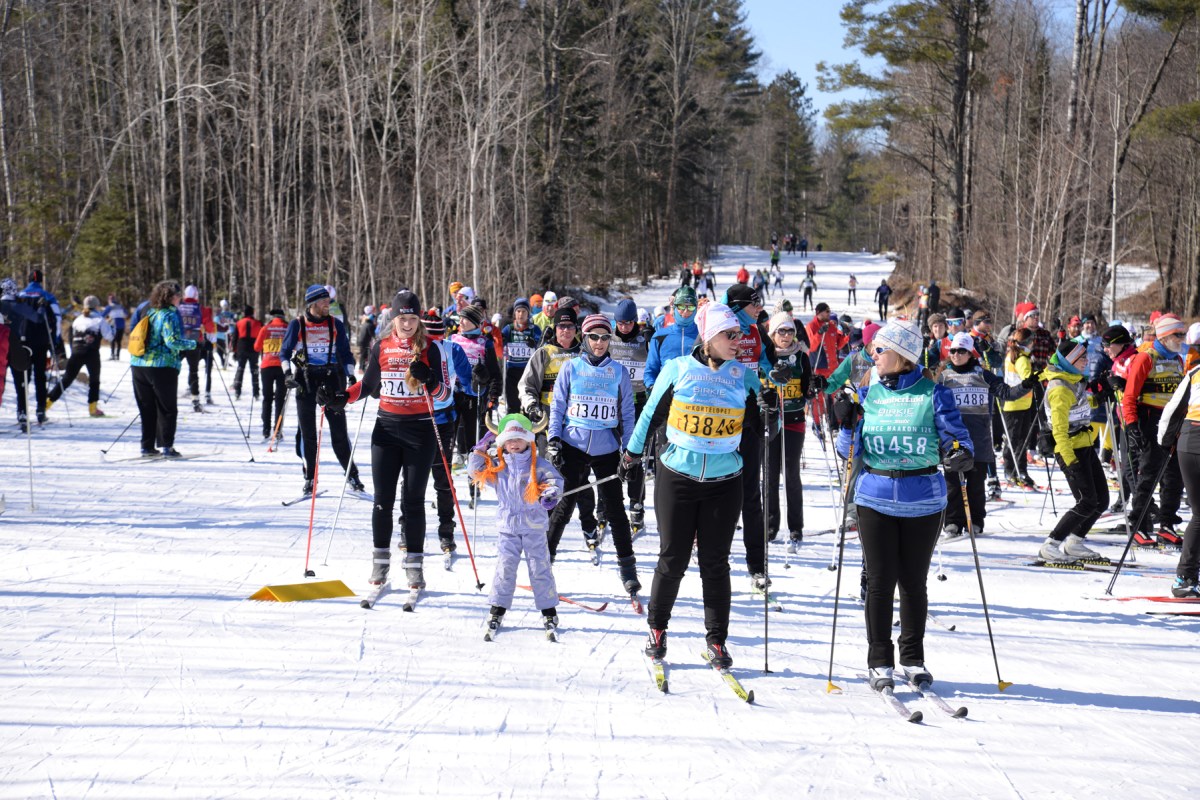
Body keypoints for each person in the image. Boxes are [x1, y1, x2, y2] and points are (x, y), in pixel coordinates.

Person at [837, 319, 973, 691]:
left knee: (913, 583)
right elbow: (847, 451)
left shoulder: (933, 393)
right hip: (875, 496)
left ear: (902, 355)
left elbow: (957, 437)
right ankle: (879, 660)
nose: (874, 356)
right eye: (874, 350)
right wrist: (847, 424)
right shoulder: (869, 393)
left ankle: (912, 658)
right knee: (880, 583)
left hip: (923, 500)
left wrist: (960, 452)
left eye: (880, 350)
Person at [626, 302, 751, 669]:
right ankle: (657, 630)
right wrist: (631, 455)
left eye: (739, 334)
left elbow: (762, 426)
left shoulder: (743, 375)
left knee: (716, 563)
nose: (737, 341)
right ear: (709, 337)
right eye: (730, 335)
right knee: (673, 558)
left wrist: (769, 412)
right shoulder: (677, 369)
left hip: (725, 481)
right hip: (677, 475)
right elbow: (650, 412)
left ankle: (717, 641)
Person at [338, 289, 450, 595]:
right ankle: (380, 562)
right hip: (386, 431)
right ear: (394, 319)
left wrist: (430, 380)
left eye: (413, 318)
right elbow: (368, 385)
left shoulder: (431, 349)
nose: (408, 324)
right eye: (404, 318)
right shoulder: (382, 347)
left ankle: (414, 566)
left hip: (420, 432)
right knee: (381, 502)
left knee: (413, 501)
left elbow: (445, 395)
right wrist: (342, 397)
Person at [546, 314, 640, 596]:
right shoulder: (570, 368)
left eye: (604, 338)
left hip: (607, 448)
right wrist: (553, 440)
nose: (599, 343)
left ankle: (628, 569)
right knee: (564, 506)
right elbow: (558, 405)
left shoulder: (619, 372)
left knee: (615, 509)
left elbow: (627, 413)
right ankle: (544, 562)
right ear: (584, 339)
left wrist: (629, 451)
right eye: (594, 337)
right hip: (573, 445)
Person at [471, 413, 565, 639]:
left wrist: (550, 494)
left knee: (539, 569)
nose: (514, 444)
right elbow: (474, 471)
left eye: (519, 439)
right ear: (502, 442)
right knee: (505, 570)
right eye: (509, 440)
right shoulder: (498, 466)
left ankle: (549, 612)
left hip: (534, 527)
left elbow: (555, 482)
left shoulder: (540, 464)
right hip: (508, 528)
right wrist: (479, 450)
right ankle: (497, 610)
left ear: (529, 441)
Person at [937, 332, 1036, 537]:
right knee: (953, 483)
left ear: (970, 353)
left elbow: (1006, 393)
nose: (956, 354)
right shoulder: (944, 377)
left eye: (961, 351)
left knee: (975, 483)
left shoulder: (982, 374)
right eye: (953, 351)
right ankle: (952, 521)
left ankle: (975, 520)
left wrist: (1026, 385)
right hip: (952, 439)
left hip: (978, 439)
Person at [280, 284, 364, 495]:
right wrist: (287, 374)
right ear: (312, 303)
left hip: (331, 379)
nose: (328, 304)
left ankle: (352, 476)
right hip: (305, 381)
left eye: (328, 300)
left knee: (339, 432)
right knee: (307, 434)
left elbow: (345, 354)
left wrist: (351, 374)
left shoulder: (335, 324)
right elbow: (284, 353)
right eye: (323, 301)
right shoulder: (297, 324)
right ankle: (309, 478)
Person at [1031, 340, 1110, 562]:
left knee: (1101, 501)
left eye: (1086, 357)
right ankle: (1051, 544)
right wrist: (1070, 461)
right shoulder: (1059, 388)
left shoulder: (1074, 381)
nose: (1086, 362)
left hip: (1085, 445)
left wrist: (1099, 397)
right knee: (1086, 501)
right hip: (1071, 450)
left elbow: (1080, 407)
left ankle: (1074, 542)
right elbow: (1059, 430)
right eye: (1082, 358)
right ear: (1070, 362)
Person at [1115, 313, 1187, 545]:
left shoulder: (1177, 359)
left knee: (1174, 476)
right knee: (1149, 475)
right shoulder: (1146, 357)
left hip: (1173, 421)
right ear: (1165, 336)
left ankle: (1166, 524)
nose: (1182, 338)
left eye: (1183, 334)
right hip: (1150, 419)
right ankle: (1138, 523)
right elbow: (1129, 396)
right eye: (1178, 334)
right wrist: (1132, 425)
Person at [724, 284, 778, 587]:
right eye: (755, 303)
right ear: (739, 305)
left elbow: (766, 364)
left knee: (751, 493)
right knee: (721, 491)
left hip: (750, 417)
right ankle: (715, 555)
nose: (760, 308)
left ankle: (757, 564)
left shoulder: (757, 332)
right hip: (720, 416)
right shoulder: (719, 329)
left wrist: (773, 378)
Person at [130, 281, 197, 457]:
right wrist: (195, 344)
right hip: (161, 366)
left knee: (147, 408)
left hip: (139, 365)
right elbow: (172, 341)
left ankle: (147, 446)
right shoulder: (169, 314)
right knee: (167, 408)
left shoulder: (150, 312)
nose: (180, 299)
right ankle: (167, 446)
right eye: (177, 296)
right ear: (170, 298)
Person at [425, 314, 472, 553]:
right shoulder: (413, 349)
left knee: (442, 477)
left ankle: (446, 530)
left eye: (437, 336)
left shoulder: (452, 349)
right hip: (416, 419)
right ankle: (407, 528)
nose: (434, 342)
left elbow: (467, 379)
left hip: (442, 418)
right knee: (414, 478)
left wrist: (473, 388)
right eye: (430, 337)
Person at [765, 312, 812, 547]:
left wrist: (813, 389)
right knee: (770, 475)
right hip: (770, 421)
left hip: (794, 420)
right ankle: (771, 526)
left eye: (790, 331)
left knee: (791, 474)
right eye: (781, 331)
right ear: (772, 333)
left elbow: (808, 387)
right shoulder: (766, 355)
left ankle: (796, 528)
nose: (786, 335)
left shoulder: (801, 357)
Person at [1159, 355, 1200, 596]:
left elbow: (1172, 409)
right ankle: (1185, 577)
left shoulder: (1195, 372)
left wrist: (1164, 443)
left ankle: (1185, 578)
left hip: (1187, 442)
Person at [608, 299, 651, 530]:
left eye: (629, 322)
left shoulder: (644, 340)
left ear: (635, 321)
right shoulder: (609, 340)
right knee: (609, 454)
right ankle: (606, 504)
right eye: (620, 322)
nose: (624, 326)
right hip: (612, 405)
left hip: (637, 404)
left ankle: (636, 502)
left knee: (633, 454)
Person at [451, 305, 502, 477]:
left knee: (475, 437)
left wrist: (494, 394)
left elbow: (495, 373)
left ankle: (475, 478)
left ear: (474, 322)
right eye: (460, 319)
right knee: (453, 431)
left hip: (476, 394)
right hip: (455, 392)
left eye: (465, 319)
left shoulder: (485, 343)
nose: (461, 322)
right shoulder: (453, 339)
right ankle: (458, 457)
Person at [45, 295, 113, 418]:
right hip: (92, 353)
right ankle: (93, 408)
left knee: (66, 380)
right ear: (96, 306)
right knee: (94, 380)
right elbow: (109, 337)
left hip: (77, 353)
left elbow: (71, 337)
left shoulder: (77, 319)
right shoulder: (99, 319)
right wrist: (110, 326)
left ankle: (46, 404)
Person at [1000, 328, 1038, 487]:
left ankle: (1019, 470)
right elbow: (1027, 379)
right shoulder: (1021, 358)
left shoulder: (1016, 355)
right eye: (1032, 340)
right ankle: (1012, 470)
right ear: (1028, 342)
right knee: (1015, 440)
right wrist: (1039, 375)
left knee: (1020, 440)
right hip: (1015, 404)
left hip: (1020, 403)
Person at [645, 287, 698, 391]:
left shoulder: (704, 334)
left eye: (690, 307)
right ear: (675, 307)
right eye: (682, 306)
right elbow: (651, 370)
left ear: (696, 308)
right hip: (666, 397)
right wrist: (652, 387)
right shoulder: (660, 336)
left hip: (695, 399)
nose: (686, 311)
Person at [254, 309, 289, 439]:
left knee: (267, 398)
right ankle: (278, 430)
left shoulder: (266, 328)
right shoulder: (287, 328)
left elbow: (256, 347)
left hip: (267, 366)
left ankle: (266, 429)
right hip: (282, 366)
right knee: (280, 399)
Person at [177, 285, 213, 412]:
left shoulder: (178, 307)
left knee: (172, 369)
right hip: (194, 343)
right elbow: (209, 327)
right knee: (193, 371)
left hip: (179, 342)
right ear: (196, 296)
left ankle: (167, 396)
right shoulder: (201, 309)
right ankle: (195, 401)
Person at [502, 298, 539, 414]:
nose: (521, 314)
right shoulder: (509, 329)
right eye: (518, 311)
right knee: (513, 404)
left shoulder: (534, 329)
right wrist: (501, 340)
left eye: (524, 311)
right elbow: (499, 342)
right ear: (514, 313)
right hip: (512, 370)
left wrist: (535, 343)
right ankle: (512, 427)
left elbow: (542, 344)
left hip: (528, 372)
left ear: (528, 313)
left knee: (527, 403)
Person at [232, 306, 263, 400]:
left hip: (242, 348)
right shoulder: (258, 323)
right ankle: (256, 393)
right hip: (254, 348)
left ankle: (237, 391)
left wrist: (234, 350)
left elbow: (235, 338)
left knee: (240, 369)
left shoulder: (239, 323)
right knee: (254, 371)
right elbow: (262, 337)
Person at [104, 295, 128, 360]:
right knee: (119, 341)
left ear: (109, 300)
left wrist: (108, 319)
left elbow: (102, 315)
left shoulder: (110, 307)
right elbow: (127, 314)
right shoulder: (121, 306)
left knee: (112, 340)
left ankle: (112, 355)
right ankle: (117, 355)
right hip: (122, 325)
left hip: (114, 325)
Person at [214, 299, 236, 368]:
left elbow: (234, 321)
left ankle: (224, 362)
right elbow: (216, 321)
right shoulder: (219, 314)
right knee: (220, 350)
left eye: (226, 305)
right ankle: (224, 361)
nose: (225, 307)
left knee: (225, 350)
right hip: (219, 335)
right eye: (224, 305)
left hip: (226, 335)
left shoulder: (230, 314)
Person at [357, 305, 377, 374]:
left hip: (362, 341)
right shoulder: (370, 325)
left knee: (364, 355)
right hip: (364, 341)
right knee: (364, 355)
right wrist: (376, 338)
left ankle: (362, 368)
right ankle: (361, 368)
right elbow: (372, 334)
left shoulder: (365, 323)